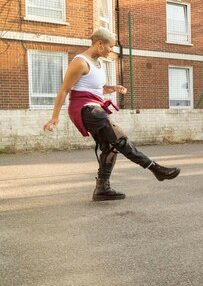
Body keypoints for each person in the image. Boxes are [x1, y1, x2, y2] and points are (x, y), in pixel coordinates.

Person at [43, 28, 181, 201]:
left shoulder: (98, 64)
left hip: (94, 107)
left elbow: (94, 88)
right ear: (100, 44)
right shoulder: (80, 62)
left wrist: (112, 88)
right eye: (110, 46)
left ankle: (102, 188)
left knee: (110, 147)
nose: (111, 50)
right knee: (119, 139)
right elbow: (64, 89)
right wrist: (54, 117)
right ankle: (155, 169)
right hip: (86, 109)